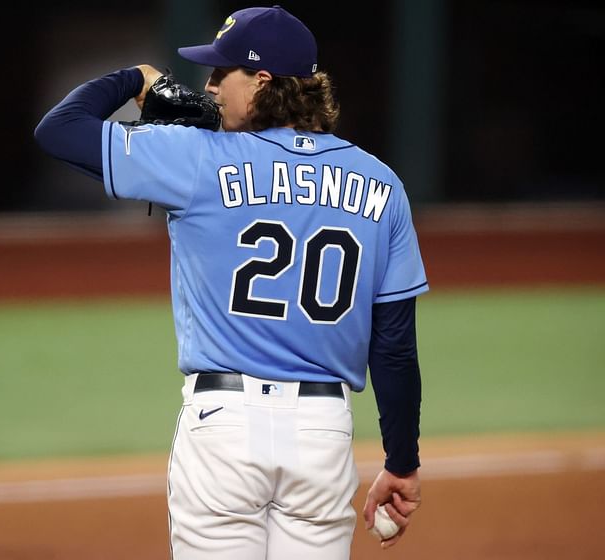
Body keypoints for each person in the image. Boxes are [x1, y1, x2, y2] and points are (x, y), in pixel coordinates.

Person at [35, 6, 427, 559]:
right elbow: (394, 346)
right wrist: (402, 462)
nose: (209, 86)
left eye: (223, 74)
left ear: (263, 83)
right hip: (324, 435)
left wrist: (136, 78)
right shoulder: (382, 184)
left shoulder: (196, 159)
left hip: (223, 429)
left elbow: (59, 130)